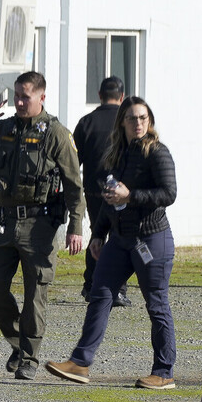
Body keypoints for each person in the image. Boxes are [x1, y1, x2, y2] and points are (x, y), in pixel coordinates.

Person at [0, 71, 84, 380]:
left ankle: (29, 357)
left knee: (35, 292)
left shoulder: (56, 134)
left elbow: (73, 184)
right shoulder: (3, 128)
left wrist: (76, 226)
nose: (19, 102)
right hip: (5, 220)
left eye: (26, 96)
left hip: (40, 224)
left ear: (42, 97)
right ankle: (18, 341)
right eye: (16, 95)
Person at [46, 97, 178, 389]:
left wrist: (131, 195)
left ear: (150, 120)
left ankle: (164, 371)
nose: (138, 123)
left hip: (151, 240)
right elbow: (110, 200)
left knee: (156, 304)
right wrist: (98, 234)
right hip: (119, 240)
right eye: (132, 118)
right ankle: (80, 363)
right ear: (123, 123)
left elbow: (168, 194)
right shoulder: (117, 154)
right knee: (99, 293)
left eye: (143, 117)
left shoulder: (157, 152)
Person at [73, 76, 131, 307]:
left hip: (95, 191)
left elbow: (73, 160)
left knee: (97, 235)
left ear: (99, 95)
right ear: (122, 96)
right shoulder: (128, 122)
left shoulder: (87, 122)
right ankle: (118, 289)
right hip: (122, 192)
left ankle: (90, 286)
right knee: (121, 237)